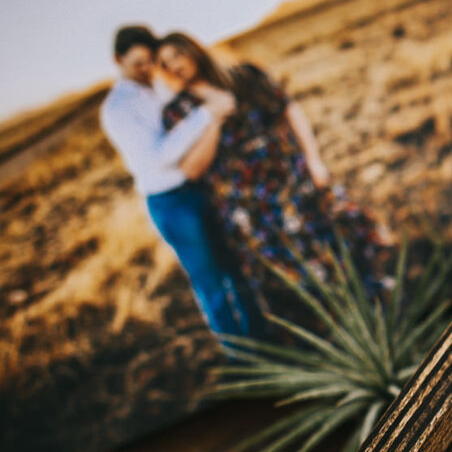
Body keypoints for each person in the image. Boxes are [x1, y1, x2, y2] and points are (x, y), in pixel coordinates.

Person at [152, 33, 390, 315]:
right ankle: (337, 332)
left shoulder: (244, 76)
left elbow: (288, 110)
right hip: (252, 205)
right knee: (294, 273)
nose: (174, 66)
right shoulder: (179, 111)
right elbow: (192, 170)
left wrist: (314, 160)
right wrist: (214, 117)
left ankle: (379, 306)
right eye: (165, 64)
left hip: (293, 179)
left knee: (340, 236)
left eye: (177, 55)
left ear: (192, 49)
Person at [98, 24, 253, 338]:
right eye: (137, 63)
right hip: (171, 202)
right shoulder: (117, 108)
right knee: (208, 281)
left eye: (150, 61)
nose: (146, 69)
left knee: (236, 268)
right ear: (118, 60)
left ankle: (264, 338)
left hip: (202, 185)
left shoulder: (158, 87)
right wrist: (208, 115)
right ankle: (243, 358)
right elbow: (159, 157)